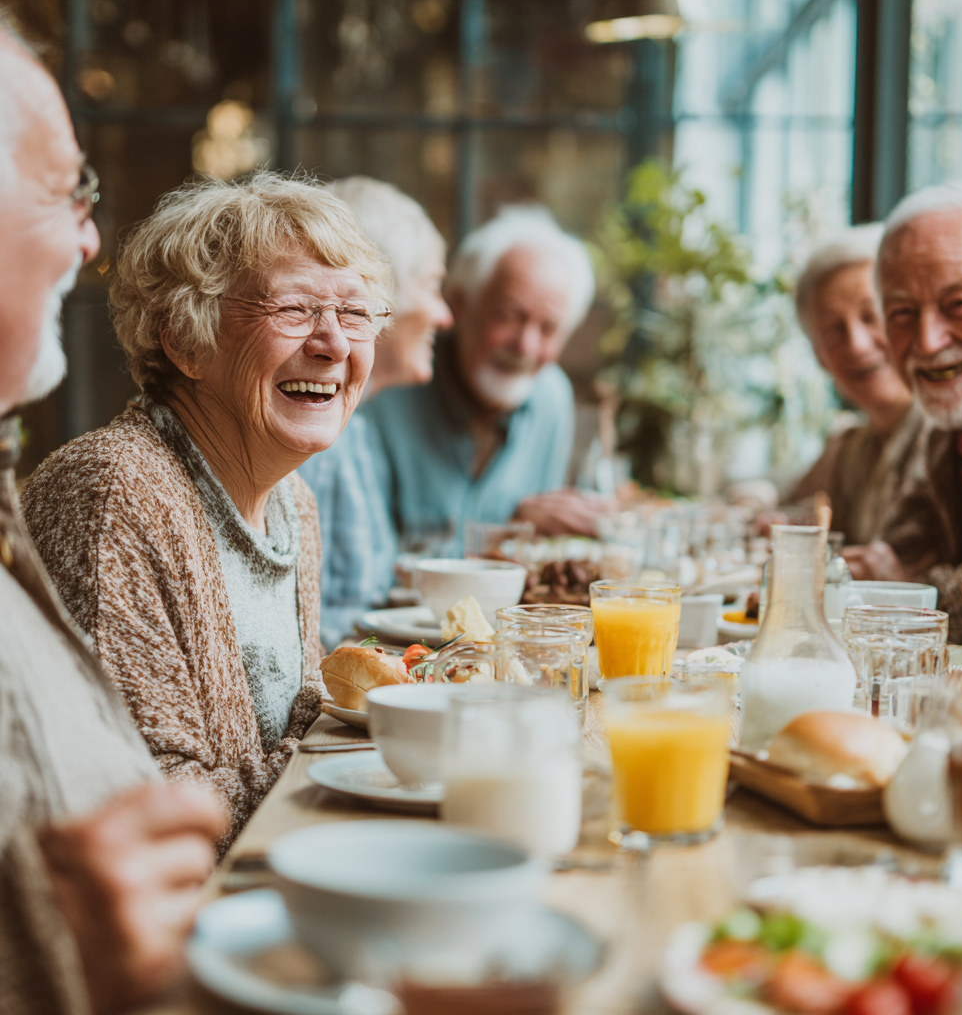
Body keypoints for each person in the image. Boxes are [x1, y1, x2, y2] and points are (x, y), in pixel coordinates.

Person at [21, 170, 392, 839]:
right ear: (186, 340)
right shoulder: (113, 491)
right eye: (295, 309)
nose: (334, 343)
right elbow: (146, 804)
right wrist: (354, 751)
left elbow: (289, 725)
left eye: (355, 313)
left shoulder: (291, 504)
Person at [0, 22, 226, 1014]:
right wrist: (33, 950)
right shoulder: (111, 483)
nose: (91, 239)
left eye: (359, 313)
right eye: (66, 194)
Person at [843, 185, 962, 662]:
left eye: (960, 303)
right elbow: (897, 552)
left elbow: (905, 580)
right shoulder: (951, 427)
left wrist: (919, 590)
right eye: (902, 313)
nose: (927, 341)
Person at [362, 205, 608, 550]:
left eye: (549, 328)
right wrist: (503, 537)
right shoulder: (386, 392)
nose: (526, 346)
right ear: (461, 304)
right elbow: (362, 572)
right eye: (509, 317)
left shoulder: (553, 398)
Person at [300, 177, 453, 647]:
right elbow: (299, 633)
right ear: (379, 294)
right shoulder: (308, 438)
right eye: (432, 286)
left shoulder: (357, 429)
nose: (444, 316)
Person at [784, 225, 925, 544]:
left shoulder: (959, 440)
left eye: (872, 315)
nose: (857, 345)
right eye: (834, 330)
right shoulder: (849, 447)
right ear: (819, 356)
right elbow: (792, 507)